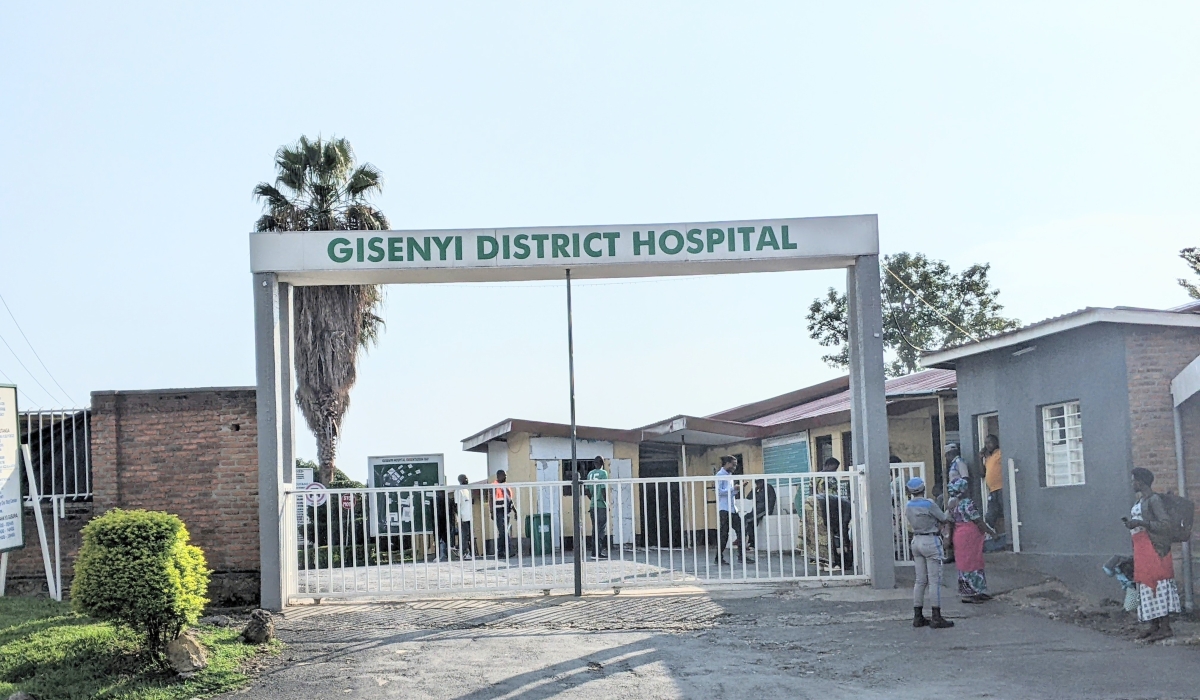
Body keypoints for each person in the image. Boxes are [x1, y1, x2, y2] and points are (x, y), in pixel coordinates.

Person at [1123, 467, 1179, 641]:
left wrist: (1141, 523)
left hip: (1155, 549)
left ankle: (1165, 627)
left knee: (1158, 584)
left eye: (1134, 480)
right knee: (1146, 585)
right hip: (1142, 549)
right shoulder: (1141, 501)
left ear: (1140, 482)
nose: (1132, 483)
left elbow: (1165, 524)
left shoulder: (1154, 500)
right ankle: (1154, 625)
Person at [904, 476, 954, 629]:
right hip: (930, 540)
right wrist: (949, 509)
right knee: (934, 581)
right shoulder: (929, 504)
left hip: (916, 540)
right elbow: (944, 518)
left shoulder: (908, 505)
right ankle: (936, 617)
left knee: (920, 581)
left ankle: (917, 616)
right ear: (923, 489)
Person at [947, 477, 994, 603]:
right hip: (970, 536)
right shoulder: (967, 503)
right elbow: (977, 520)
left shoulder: (951, 504)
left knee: (966, 563)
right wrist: (991, 532)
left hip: (959, 535)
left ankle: (975, 592)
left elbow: (950, 521)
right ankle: (972, 594)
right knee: (974, 562)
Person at [715, 455, 744, 565]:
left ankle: (741, 556)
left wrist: (737, 489)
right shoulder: (720, 475)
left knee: (741, 531)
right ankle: (718, 557)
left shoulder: (729, 476)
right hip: (724, 509)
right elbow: (719, 492)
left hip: (732, 509)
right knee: (724, 534)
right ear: (727, 463)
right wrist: (733, 488)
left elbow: (729, 493)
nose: (734, 467)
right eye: (733, 464)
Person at [742, 478, 777, 551]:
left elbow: (772, 499)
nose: (757, 484)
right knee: (750, 523)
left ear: (762, 482)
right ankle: (751, 543)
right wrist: (754, 490)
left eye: (758, 483)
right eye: (756, 483)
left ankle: (745, 539)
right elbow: (748, 497)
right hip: (756, 510)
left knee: (747, 519)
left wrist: (769, 511)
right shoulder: (758, 490)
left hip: (764, 510)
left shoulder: (768, 487)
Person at [585, 456, 609, 559]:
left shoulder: (589, 474)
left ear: (594, 463)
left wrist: (593, 498)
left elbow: (587, 491)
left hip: (593, 505)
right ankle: (598, 552)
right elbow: (603, 489)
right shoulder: (603, 473)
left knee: (594, 529)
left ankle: (593, 552)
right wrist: (606, 502)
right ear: (602, 463)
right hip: (601, 505)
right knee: (601, 530)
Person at [981, 435, 1004, 533]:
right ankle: (995, 533)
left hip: (1001, 488)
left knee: (1005, 512)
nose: (988, 445)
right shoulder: (988, 458)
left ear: (996, 442)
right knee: (990, 516)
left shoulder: (1000, 453)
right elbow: (982, 473)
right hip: (992, 490)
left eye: (990, 442)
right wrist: (980, 458)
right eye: (986, 443)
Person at [490, 470, 515, 559]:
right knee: (504, 531)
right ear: (498, 476)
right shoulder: (494, 486)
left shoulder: (506, 485)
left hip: (506, 512)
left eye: (506, 475)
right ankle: (509, 551)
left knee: (502, 533)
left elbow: (510, 500)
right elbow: (491, 499)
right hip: (498, 511)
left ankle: (500, 552)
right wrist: (492, 512)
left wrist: (515, 511)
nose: (506, 477)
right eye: (504, 475)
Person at [454, 474, 474, 560]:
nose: (467, 479)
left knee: (469, 536)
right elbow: (456, 506)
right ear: (460, 480)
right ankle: (464, 553)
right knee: (464, 536)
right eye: (465, 478)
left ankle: (469, 552)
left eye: (467, 478)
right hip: (463, 518)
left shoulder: (468, 490)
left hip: (469, 517)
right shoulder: (459, 491)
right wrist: (459, 518)